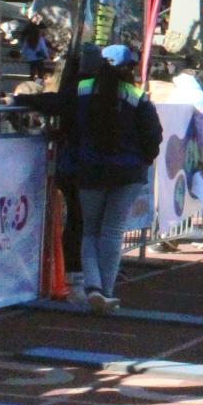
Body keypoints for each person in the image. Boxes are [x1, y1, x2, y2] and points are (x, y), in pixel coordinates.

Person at [59, 45, 162, 312]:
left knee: (90, 231)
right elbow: (153, 135)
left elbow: (58, 108)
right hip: (128, 172)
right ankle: (105, 290)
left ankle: (93, 287)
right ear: (129, 68)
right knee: (113, 231)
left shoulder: (82, 90)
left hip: (90, 169)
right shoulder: (137, 96)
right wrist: (144, 159)